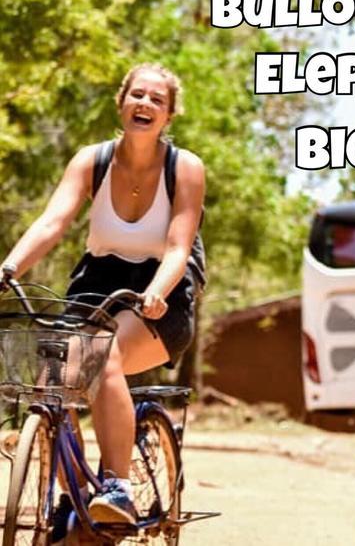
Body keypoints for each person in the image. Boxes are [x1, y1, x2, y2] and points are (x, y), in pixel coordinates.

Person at [1, 64, 205, 532]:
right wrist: (9, 267)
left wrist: (156, 292)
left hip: (162, 291)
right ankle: (70, 496)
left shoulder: (185, 169)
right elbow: (53, 223)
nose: (145, 104)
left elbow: (177, 248)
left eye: (157, 99)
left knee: (102, 357)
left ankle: (117, 488)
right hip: (96, 282)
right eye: (137, 95)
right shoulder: (91, 161)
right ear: (121, 103)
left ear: (169, 116)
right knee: (56, 376)